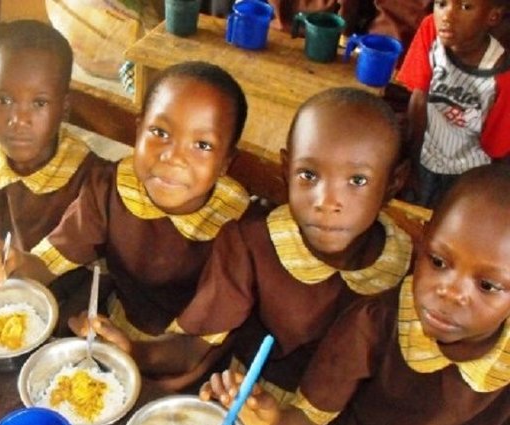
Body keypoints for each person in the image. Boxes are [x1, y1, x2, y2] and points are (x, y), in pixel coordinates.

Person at [206, 163, 510, 425]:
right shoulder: (377, 319)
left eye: (488, 286)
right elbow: (307, 418)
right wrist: (271, 420)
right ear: (422, 242)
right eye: (438, 261)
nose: (449, 291)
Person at [0, 61, 251, 387]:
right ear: (138, 131)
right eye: (159, 133)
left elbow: (193, 349)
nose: (173, 157)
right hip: (114, 327)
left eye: (202, 145)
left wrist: (133, 351)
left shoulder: (237, 232)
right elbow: (49, 263)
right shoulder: (114, 186)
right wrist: (15, 261)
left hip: (186, 366)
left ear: (225, 164)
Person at [172, 87, 413, 405]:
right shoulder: (254, 242)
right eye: (309, 175)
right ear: (286, 170)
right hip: (244, 396)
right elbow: (195, 343)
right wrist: (132, 349)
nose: (327, 202)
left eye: (357, 181)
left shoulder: (411, 276)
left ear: (393, 184)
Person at [0, 19, 107, 259]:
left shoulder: (87, 178)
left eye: (39, 103)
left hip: (66, 291)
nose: (19, 119)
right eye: (4, 100)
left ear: (64, 108)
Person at [397, 0, 510, 209]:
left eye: (465, 7)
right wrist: (411, 160)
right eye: (441, 3)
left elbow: (497, 148)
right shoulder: (431, 29)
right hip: (423, 152)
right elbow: (419, 99)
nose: (447, 16)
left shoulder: (501, 76)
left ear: (492, 17)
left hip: (467, 171)